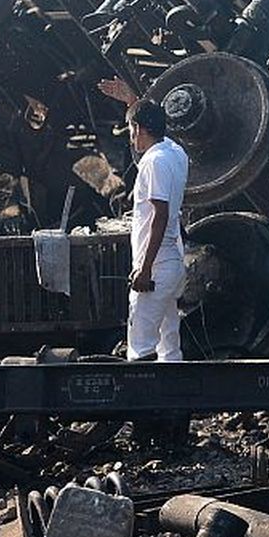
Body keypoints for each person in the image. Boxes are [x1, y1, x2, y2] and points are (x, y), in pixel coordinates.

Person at [124, 96, 190, 361]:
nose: (131, 138)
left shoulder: (154, 162)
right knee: (169, 345)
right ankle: (174, 399)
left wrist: (145, 268)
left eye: (131, 130)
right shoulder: (176, 153)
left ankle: (145, 399)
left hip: (156, 266)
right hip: (172, 261)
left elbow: (159, 216)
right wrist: (132, 103)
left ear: (140, 129)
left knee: (140, 344)